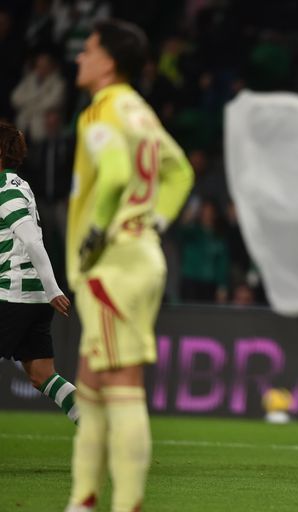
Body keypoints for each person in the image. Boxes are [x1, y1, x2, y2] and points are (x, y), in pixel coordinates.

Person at [65, 19, 194, 512]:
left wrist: (98, 232)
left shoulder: (102, 110)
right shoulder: (140, 110)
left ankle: (127, 503)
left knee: (122, 384)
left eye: (88, 49)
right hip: (140, 255)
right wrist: (153, 222)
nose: (80, 57)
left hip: (114, 264)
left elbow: (116, 173)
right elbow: (180, 171)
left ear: (108, 62)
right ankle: (82, 500)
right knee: (91, 383)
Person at [0, 121, 77, 424]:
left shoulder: (5, 189)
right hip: (33, 299)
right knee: (43, 375)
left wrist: (53, 287)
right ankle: (98, 429)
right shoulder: (21, 185)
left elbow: (32, 240)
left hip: (14, 295)